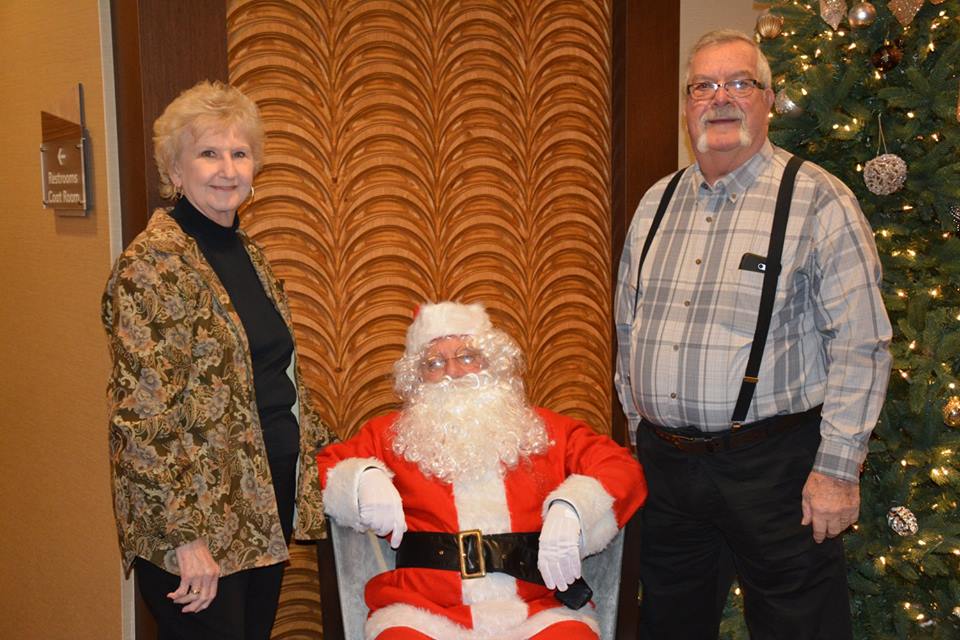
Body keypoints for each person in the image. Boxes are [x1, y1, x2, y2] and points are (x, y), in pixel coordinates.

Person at [614, 29, 892, 640]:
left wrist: (837, 470)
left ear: (768, 98)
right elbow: (628, 328)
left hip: (776, 471)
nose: (720, 98)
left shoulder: (818, 199)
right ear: (687, 105)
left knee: (800, 626)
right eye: (703, 86)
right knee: (666, 625)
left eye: (739, 83)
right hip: (668, 470)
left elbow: (861, 343)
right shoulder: (657, 202)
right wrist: (639, 436)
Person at [102, 80, 335, 639]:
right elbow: (141, 420)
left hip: (261, 506)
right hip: (195, 524)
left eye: (239, 153)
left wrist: (339, 458)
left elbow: (273, 378)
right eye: (208, 153)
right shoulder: (152, 265)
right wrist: (184, 538)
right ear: (175, 171)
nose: (227, 169)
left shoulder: (248, 252)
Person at [317, 301, 646, 639]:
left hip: (536, 609)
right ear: (417, 377)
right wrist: (362, 479)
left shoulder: (544, 430)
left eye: (466, 356)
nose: (452, 371)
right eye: (434, 363)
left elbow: (621, 467)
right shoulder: (390, 435)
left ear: (491, 362)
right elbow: (323, 470)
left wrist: (573, 507)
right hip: (422, 610)